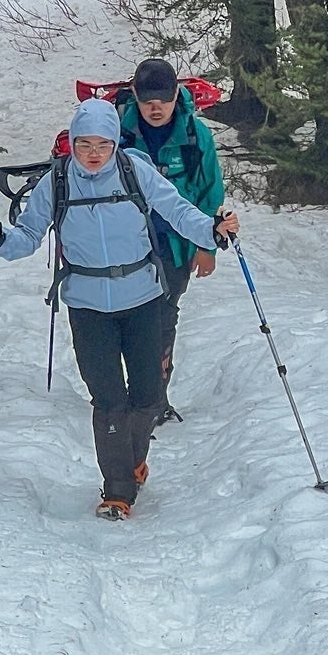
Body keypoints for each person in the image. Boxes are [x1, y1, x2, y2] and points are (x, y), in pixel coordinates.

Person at [0, 97, 238, 520]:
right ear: (73, 145)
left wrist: (212, 229)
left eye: (103, 144)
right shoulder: (58, 181)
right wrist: (0, 240)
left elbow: (177, 210)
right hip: (87, 303)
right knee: (109, 399)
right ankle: (118, 489)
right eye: (85, 145)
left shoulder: (135, 170)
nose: (94, 154)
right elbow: (28, 233)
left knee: (149, 395)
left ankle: (132, 463)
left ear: (116, 142)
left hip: (142, 298)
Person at [115, 57, 225, 424]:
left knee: (163, 317)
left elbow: (210, 192)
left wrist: (206, 246)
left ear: (177, 93)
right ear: (135, 95)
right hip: (125, 245)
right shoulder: (117, 133)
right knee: (130, 319)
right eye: (148, 100)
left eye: (163, 98)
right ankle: (130, 396)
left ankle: (154, 400)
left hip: (175, 245)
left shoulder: (196, 135)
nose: (156, 107)